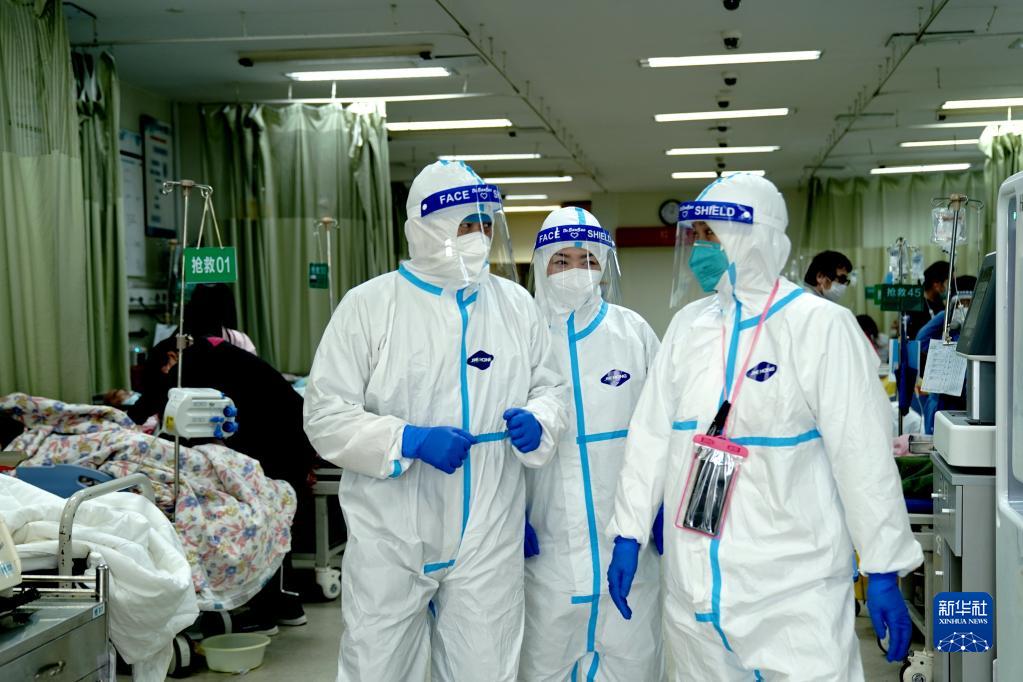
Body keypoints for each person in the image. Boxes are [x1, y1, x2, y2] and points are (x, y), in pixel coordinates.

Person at [606, 174, 923, 680]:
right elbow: (650, 438)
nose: (700, 250)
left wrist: (882, 564)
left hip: (793, 591)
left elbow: (861, 454)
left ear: (752, 237)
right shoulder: (689, 328)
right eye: (697, 236)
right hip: (693, 592)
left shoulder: (820, 326)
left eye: (711, 235)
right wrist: (628, 531)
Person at [303, 160, 568, 682]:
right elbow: (324, 413)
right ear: (427, 227)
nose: (478, 236)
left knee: (486, 667)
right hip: (390, 531)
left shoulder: (515, 304)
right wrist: (408, 439)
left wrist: (541, 418)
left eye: (484, 224)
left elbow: (551, 387)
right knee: (377, 668)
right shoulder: (370, 306)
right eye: (465, 224)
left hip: (489, 525)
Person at [521, 208, 664, 681]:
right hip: (546, 553)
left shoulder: (633, 333)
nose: (575, 271)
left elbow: (665, 428)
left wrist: (662, 502)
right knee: (541, 668)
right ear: (541, 264)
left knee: (634, 664)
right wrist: (507, 513)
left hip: (627, 546)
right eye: (561, 260)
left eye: (587, 259)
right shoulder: (521, 338)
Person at [906, 260, 950, 338]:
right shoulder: (914, 303)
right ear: (936, 284)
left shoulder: (939, 303)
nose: (950, 287)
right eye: (948, 283)